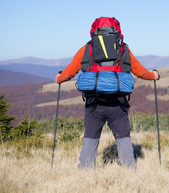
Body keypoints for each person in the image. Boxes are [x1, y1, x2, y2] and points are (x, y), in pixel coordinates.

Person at [55, 17, 159, 170]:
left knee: (91, 136)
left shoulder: (87, 49)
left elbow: (69, 72)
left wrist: (59, 78)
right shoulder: (123, 49)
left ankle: (85, 169)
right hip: (118, 103)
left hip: (93, 103)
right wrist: (154, 75)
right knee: (123, 137)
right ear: (117, 31)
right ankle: (129, 169)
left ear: (94, 31)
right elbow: (140, 71)